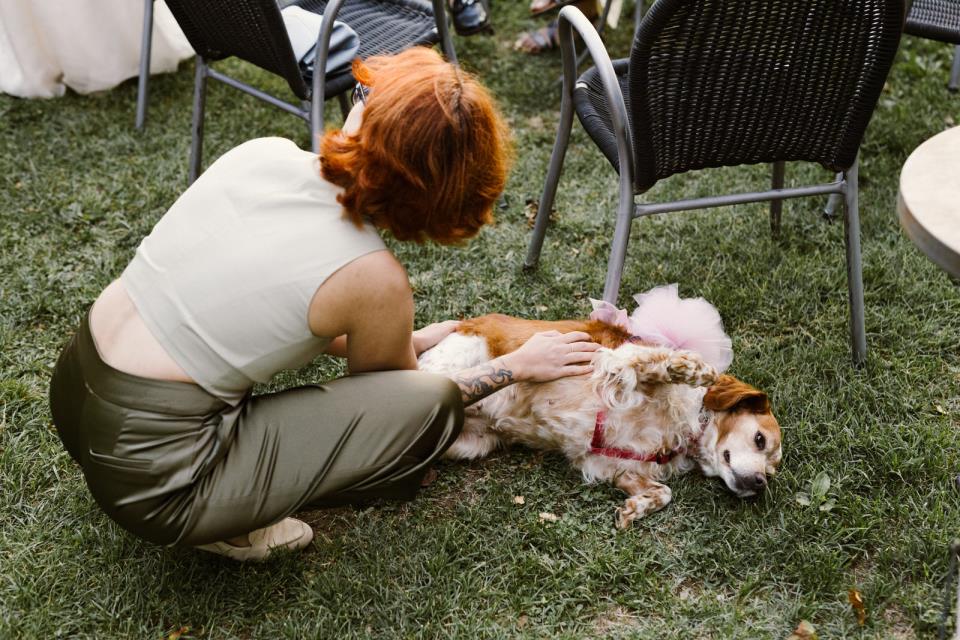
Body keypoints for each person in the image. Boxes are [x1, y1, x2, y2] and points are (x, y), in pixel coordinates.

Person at [48, 47, 600, 562]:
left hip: (76, 388)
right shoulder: (372, 277)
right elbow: (405, 403)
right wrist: (512, 366)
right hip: (161, 483)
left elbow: (266, 301)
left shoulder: (261, 154)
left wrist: (404, 340)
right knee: (431, 402)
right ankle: (230, 525)